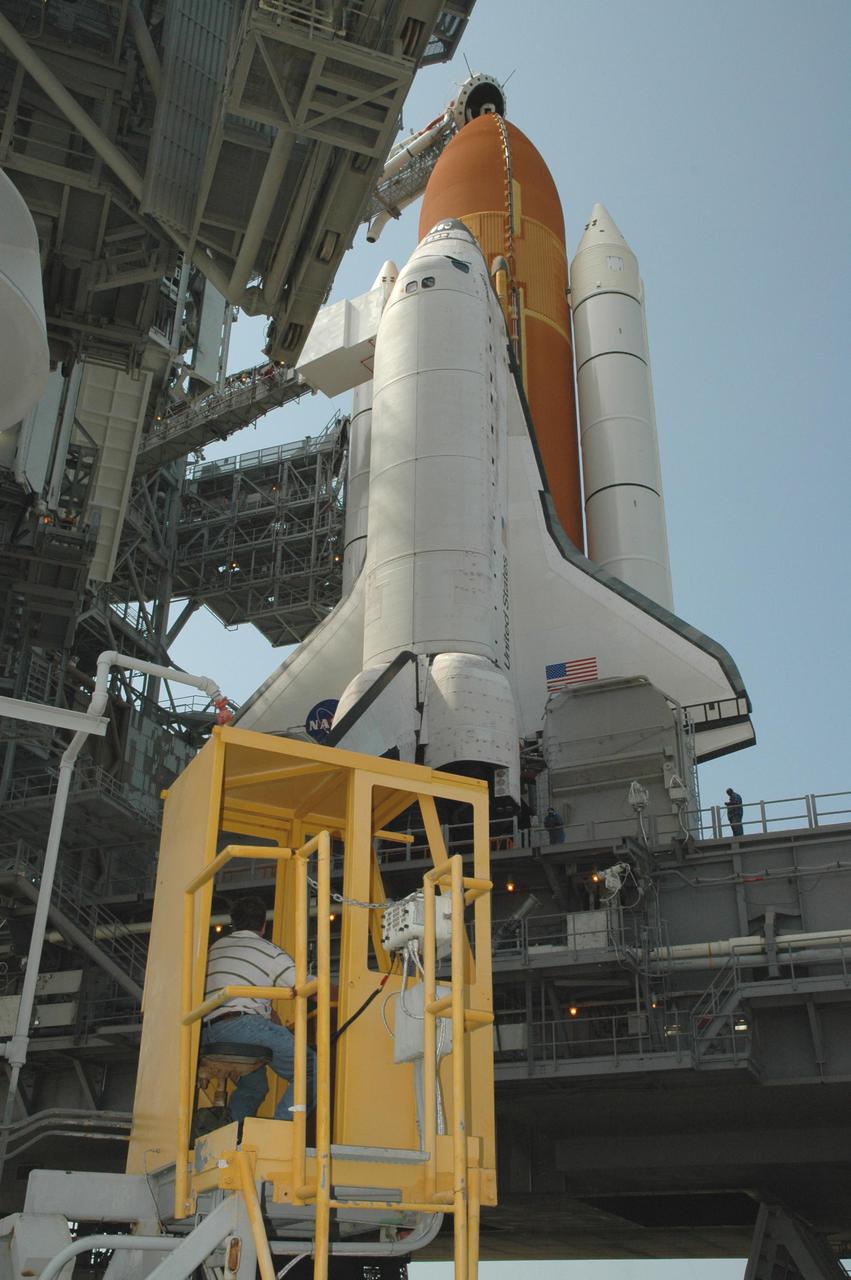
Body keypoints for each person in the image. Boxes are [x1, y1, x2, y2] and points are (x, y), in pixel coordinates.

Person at [202, 896, 316, 1122]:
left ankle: (234, 1134)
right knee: (311, 1068)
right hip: (243, 1027)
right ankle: (281, 1131)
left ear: (233, 924)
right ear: (263, 926)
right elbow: (306, 985)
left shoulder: (214, 949)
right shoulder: (267, 951)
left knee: (255, 1087)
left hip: (206, 1032)